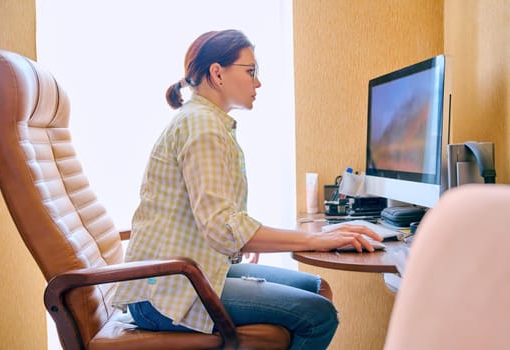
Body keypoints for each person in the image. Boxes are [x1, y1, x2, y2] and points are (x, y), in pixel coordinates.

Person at [112, 29, 382, 350]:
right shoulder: (202, 126)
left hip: (191, 272)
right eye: (250, 71)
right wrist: (317, 239)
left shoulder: (207, 122)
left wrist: (239, 240)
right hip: (168, 290)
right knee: (318, 314)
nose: (258, 83)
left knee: (316, 287)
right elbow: (223, 228)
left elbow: (219, 221)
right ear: (217, 73)